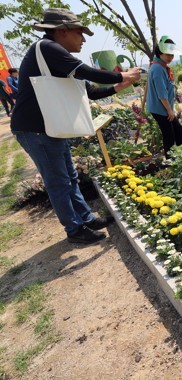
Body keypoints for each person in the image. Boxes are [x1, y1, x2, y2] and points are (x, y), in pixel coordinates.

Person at [10, 8, 141, 244]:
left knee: (69, 177)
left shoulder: (56, 59)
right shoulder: (48, 48)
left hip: (50, 127)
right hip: (36, 129)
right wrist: (122, 76)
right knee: (58, 182)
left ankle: (86, 218)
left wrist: (117, 88)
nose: (83, 39)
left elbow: (89, 91)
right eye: (80, 33)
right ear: (62, 31)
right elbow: (87, 72)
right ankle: (74, 229)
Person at [146, 35, 182, 160]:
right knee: (169, 135)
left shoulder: (161, 66)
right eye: (167, 54)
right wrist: (169, 110)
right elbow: (161, 93)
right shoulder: (157, 68)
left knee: (177, 130)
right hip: (160, 109)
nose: (170, 57)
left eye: (172, 54)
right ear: (160, 53)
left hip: (164, 108)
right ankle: (172, 161)